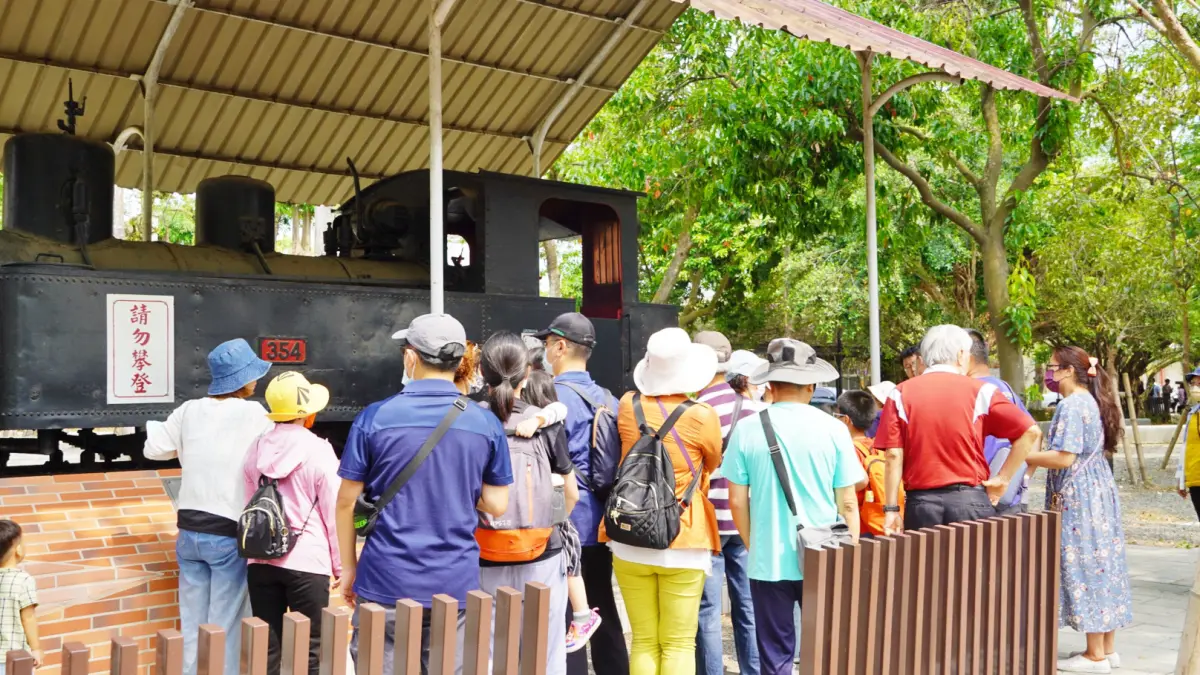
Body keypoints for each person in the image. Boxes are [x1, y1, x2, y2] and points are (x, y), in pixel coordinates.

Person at [336, 314, 512, 675]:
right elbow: (497, 504)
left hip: (385, 581)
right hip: (455, 583)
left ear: (411, 358)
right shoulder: (484, 424)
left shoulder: (375, 418)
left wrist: (349, 568)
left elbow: (345, 502)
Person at [723, 338, 865, 675]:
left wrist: (751, 544)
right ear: (811, 384)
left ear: (769, 384)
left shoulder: (745, 429)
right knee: (828, 646)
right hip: (826, 554)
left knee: (775, 652)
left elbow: (737, 501)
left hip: (767, 559)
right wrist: (853, 548)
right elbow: (847, 500)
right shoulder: (833, 429)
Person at [145, 338, 273, 675]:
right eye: (253, 375)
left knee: (192, 622)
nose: (256, 381)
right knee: (226, 624)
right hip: (228, 533)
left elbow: (153, 448)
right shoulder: (255, 413)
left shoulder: (188, 410)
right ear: (243, 380)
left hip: (188, 531)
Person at [600, 327, 722, 675]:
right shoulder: (701, 415)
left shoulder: (628, 405)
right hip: (683, 532)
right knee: (679, 642)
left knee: (642, 639)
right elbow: (712, 462)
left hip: (629, 534)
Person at [1025, 347, 1133, 673]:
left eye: (1052, 367)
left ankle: (1094, 655)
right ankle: (1107, 649)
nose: (1049, 373)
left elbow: (1063, 456)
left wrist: (1024, 457)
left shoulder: (1072, 405)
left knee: (1084, 565)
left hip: (1079, 497)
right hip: (1099, 491)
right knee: (1104, 563)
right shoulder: (1093, 400)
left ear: (1069, 371)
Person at [475, 333, 577, 675]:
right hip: (542, 556)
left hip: (482, 555)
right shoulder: (544, 421)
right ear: (526, 375)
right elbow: (570, 491)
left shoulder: (468, 420)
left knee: (486, 656)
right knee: (543, 658)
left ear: (482, 373)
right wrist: (550, 519)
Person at [874, 325, 1041, 533]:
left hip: (921, 504)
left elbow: (893, 455)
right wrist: (1003, 478)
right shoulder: (983, 391)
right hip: (969, 501)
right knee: (975, 565)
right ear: (961, 355)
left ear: (922, 359)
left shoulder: (899, 393)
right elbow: (1030, 431)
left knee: (927, 565)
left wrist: (891, 509)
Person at [533, 312, 627, 675]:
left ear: (559, 347)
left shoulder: (549, 398)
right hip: (602, 520)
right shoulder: (608, 398)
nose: (544, 352)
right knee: (601, 604)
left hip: (563, 518)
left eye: (545, 345)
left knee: (566, 614)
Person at [242, 372, 341, 675]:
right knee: (311, 648)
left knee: (266, 647)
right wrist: (340, 564)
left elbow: (251, 502)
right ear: (307, 414)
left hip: (261, 559)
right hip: (308, 562)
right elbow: (333, 512)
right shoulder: (318, 450)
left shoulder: (256, 448)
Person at [691, 332, 761, 675]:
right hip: (747, 520)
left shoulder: (696, 410)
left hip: (709, 523)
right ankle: (754, 669)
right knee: (747, 604)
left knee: (707, 609)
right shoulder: (753, 407)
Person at [519, 370, 603, 653]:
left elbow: (558, 408)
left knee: (570, 566)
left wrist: (560, 517)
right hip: (555, 511)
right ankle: (581, 616)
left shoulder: (546, 424)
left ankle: (582, 616)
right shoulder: (552, 427)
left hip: (551, 513)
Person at [966, 329, 1031, 515]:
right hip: (1007, 493)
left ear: (966, 357)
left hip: (981, 492)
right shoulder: (1004, 388)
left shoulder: (973, 390)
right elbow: (1034, 434)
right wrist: (1015, 476)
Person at [835, 390, 899, 538]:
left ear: (846, 420)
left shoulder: (849, 449)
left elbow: (858, 483)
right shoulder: (878, 447)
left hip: (861, 524)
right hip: (881, 521)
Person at [0, 521, 40, 675]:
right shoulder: (23, 580)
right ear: (18, 550)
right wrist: (36, 649)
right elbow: (28, 618)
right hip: (16, 656)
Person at [1176, 367, 1200, 520]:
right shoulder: (1193, 413)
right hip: (1195, 477)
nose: (1195, 387)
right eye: (1193, 383)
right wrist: (1181, 478)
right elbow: (1187, 446)